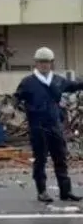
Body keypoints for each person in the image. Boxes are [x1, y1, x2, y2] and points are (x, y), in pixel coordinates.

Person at [14, 47, 83, 204]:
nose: (44, 65)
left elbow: (75, 86)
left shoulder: (58, 80)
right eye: (41, 62)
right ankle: (42, 191)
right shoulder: (28, 82)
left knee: (61, 158)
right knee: (40, 160)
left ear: (52, 63)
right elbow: (16, 97)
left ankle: (66, 191)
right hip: (37, 126)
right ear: (36, 63)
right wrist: (15, 108)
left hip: (54, 124)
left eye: (47, 62)